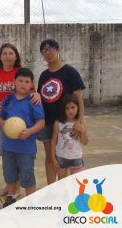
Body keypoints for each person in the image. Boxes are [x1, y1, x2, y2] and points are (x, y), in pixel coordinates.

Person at [0, 43, 41, 197]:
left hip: (22, 123)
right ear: (0, 56)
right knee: (7, 154)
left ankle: (21, 191)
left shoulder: (21, 73)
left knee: (22, 157)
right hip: (1, 121)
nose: (8, 56)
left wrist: (38, 95)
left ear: (16, 56)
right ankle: (12, 189)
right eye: (5, 53)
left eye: (11, 53)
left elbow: (33, 93)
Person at [37, 39, 85, 185]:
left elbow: (79, 98)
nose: (48, 53)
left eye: (50, 49)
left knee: (69, 157)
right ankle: (51, 189)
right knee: (51, 157)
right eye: (44, 51)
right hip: (48, 123)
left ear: (58, 50)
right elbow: (40, 97)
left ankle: (70, 191)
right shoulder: (44, 75)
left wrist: (80, 122)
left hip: (67, 124)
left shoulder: (70, 71)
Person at [0, 67, 45, 208]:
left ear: (31, 85)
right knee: (10, 174)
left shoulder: (33, 100)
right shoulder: (8, 100)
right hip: (8, 147)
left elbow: (41, 122)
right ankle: (11, 198)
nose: (23, 84)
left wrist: (30, 132)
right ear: (14, 82)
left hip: (26, 148)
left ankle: (30, 202)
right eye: (20, 80)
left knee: (27, 175)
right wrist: (3, 124)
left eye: (27, 81)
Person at [51, 94, 89, 180]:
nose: (70, 111)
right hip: (61, 158)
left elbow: (85, 142)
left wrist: (82, 131)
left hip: (76, 158)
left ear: (78, 107)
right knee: (62, 184)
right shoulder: (58, 123)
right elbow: (53, 141)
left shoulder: (81, 123)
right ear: (63, 109)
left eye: (73, 107)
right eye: (67, 108)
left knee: (77, 183)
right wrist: (53, 158)